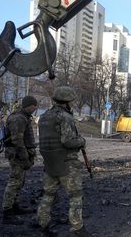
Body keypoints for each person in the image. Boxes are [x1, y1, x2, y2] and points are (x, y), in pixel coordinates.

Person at [37, 86, 88, 236]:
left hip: (50, 162)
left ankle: (42, 223)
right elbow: (68, 142)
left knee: (48, 194)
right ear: (67, 101)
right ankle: (77, 228)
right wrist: (82, 141)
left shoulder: (44, 116)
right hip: (66, 162)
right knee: (75, 195)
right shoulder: (65, 117)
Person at [2, 95, 38, 225]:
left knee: (19, 182)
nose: (35, 108)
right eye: (34, 106)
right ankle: (7, 213)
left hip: (19, 155)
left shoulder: (22, 117)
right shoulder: (18, 118)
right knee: (14, 182)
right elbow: (17, 141)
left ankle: (14, 206)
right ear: (29, 105)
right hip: (17, 156)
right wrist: (25, 157)